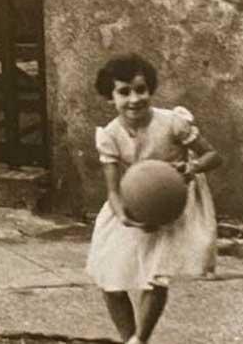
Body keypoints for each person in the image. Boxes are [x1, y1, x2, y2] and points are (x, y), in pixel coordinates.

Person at [85, 53, 223, 344]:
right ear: (110, 97)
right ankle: (128, 338)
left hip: (173, 204)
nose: (134, 99)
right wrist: (126, 217)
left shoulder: (173, 122)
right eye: (124, 92)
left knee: (155, 276)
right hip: (133, 201)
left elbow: (214, 156)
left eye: (140, 89)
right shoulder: (109, 135)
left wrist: (192, 166)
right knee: (110, 278)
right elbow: (112, 190)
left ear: (150, 89)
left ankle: (140, 340)